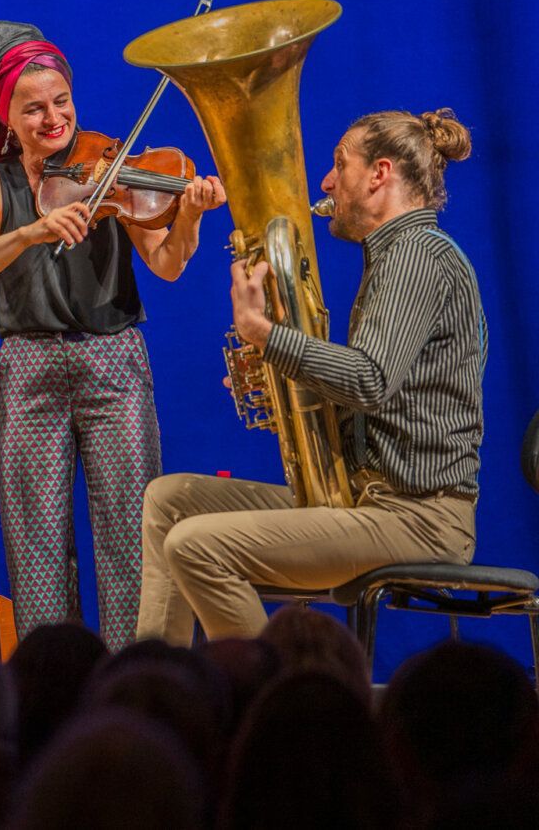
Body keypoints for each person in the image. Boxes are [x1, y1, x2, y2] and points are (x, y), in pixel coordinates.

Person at [138, 108, 484, 643]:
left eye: (338, 164)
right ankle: (156, 693)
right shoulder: (394, 256)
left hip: (417, 518)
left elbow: (370, 380)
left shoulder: (418, 255)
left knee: (196, 545)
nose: (325, 182)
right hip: (370, 502)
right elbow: (386, 399)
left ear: (380, 174)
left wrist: (267, 336)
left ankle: (273, 712)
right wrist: (277, 380)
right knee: (169, 499)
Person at [0, 20, 225, 649]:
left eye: (62, 101)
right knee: (37, 549)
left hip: (115, 364)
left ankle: (132, 689)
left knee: (131, 543)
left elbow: (169, 265)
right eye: (34, 107)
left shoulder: (113, 170)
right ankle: (56, 698)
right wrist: (31, 233)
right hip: (29, 370)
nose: (53, 117)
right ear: (8, 118)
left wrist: (191, 217)